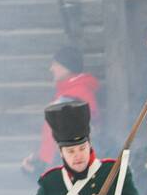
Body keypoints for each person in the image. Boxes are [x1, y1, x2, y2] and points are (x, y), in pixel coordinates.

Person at [21, 46, 101, 175]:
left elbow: (68, 141)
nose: (51, 69)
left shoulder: (75, 95)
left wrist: (49, 167)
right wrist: (39, 159)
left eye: (55, 64)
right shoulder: (68, 93)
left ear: (67, 67)